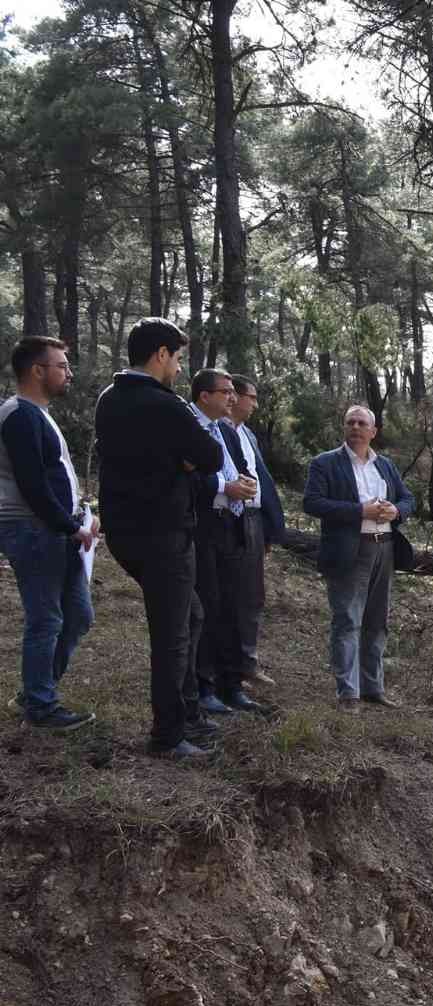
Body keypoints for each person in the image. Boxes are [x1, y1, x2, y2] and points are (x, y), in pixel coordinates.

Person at [95, 317, 225, 760]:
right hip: (164, 534)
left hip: (125, 533)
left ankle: (188, 714)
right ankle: (167, 736)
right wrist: (183, 461)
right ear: (161, 355)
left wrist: (178, 459)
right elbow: (209, 455)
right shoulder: (166, 405)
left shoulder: (108, 399)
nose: (180, 370)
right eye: (178, 359)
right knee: (172, 634)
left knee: (190, 617)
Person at [0, 336, 96, 732]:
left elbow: (52, 478)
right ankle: (40, 706)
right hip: (33, 530)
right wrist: (70, 526)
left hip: (54, 528)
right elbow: (33, 484)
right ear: (37, 370)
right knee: (47, 620)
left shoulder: (36, 412)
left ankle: (34, 692)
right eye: (61, 365)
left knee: (78, 616)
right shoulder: (18, 414)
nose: (69, 373)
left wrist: (80, 512)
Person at [303, 405, 415, 708]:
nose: (355, 427)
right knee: (347, 620)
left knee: (377, 621)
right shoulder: (325, 463)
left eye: (361, 423)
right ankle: (348, 693)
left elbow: (408, 498)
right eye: (350, 422)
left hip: (385, 547)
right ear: (344, 428)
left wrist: (396, 511)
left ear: (373, 431)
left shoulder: (385, 465)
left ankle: (373, 688)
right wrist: (360, 511)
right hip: (348, 549)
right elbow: (312, 503)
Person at [188, 369, 265, 717]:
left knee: (234, 607)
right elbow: (185, 478)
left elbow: (244, 469)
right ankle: (204, 687)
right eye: (226, 392)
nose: (233, 398)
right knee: (208, 608)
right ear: (205, 396)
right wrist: (224, 488)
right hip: (201, 527)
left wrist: (244, 485)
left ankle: (230, 684)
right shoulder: (188, 426)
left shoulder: (226, 430)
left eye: (235, 392)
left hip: (232, 526)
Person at [227, 376, 285, 687]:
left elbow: (262, 480)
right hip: (227, 521)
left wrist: (269, 527)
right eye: (252, 397)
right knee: (227, 595)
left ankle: (246, 663)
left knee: (252, 595)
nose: (255, 404)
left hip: (253, 521)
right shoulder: (216, 431)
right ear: (233, 396)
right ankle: (228, 668)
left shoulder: (248, 434)